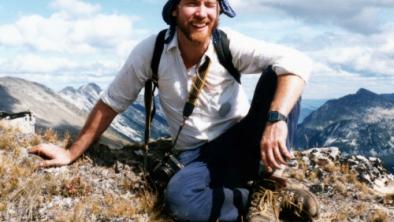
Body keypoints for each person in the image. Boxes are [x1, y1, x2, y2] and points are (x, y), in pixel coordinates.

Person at [30, 0, 319, 221]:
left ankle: (271, 184)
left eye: (210, 4)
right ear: (174, 11)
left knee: (281, 73)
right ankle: (263, 199)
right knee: (181, 201)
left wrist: (276, 119)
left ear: (219, 13)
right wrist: (70, 153)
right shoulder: (152, 50)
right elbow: (111, 102)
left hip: (242, 139)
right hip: (197, 154)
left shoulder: (228, 44)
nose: (202, 13)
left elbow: (298, 61)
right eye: (192, 2)